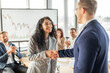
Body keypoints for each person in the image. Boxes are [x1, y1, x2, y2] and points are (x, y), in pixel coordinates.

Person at [49, 0, 109, 73]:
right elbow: (80, 51)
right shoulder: (100, 29)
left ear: (82, 10)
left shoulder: (88, 35)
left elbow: (83, 70)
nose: (76, 13)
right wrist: (59, 53)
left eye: (76, 10)